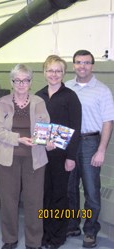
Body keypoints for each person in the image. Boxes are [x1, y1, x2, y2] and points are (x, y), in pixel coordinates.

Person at [0, 64, 50, 249]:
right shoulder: (2, 102)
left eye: (25, 80)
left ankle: (34, 242)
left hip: (35, 159)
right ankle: (9, 239)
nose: (21, 84)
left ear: (31, 82)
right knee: (9, 201)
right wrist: (19, 139)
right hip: (7, 158)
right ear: (12, 82)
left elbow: (45, 128)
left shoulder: (39, 102)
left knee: (35, 202)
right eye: (17, 80)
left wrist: (46, 140)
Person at [65, 50, 114, 248]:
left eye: (86, 62)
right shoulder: (66, 87)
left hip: (90, 142)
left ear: (92, 65)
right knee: (69, 188)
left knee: (92, 190)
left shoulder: (102, 90)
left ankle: (91, 230)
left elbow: (108, 122)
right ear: (73, 65)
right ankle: (72, 224)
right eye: (78, 62)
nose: (82, 66)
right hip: (69, 142)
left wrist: (101, 149)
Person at [35, 55, 82, 249]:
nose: (54, 74)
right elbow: (35, 124)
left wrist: (71, 157)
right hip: (42, 153)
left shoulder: (70, 97)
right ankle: (44, 234)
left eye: (58, 71)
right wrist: (43, 142)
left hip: (62, 156)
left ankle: (57, 236)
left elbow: (75, 127)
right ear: (44, 72)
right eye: (50, 70)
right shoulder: (38, 96)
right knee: (44, 194)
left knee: (59, 196)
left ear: (63, 73)